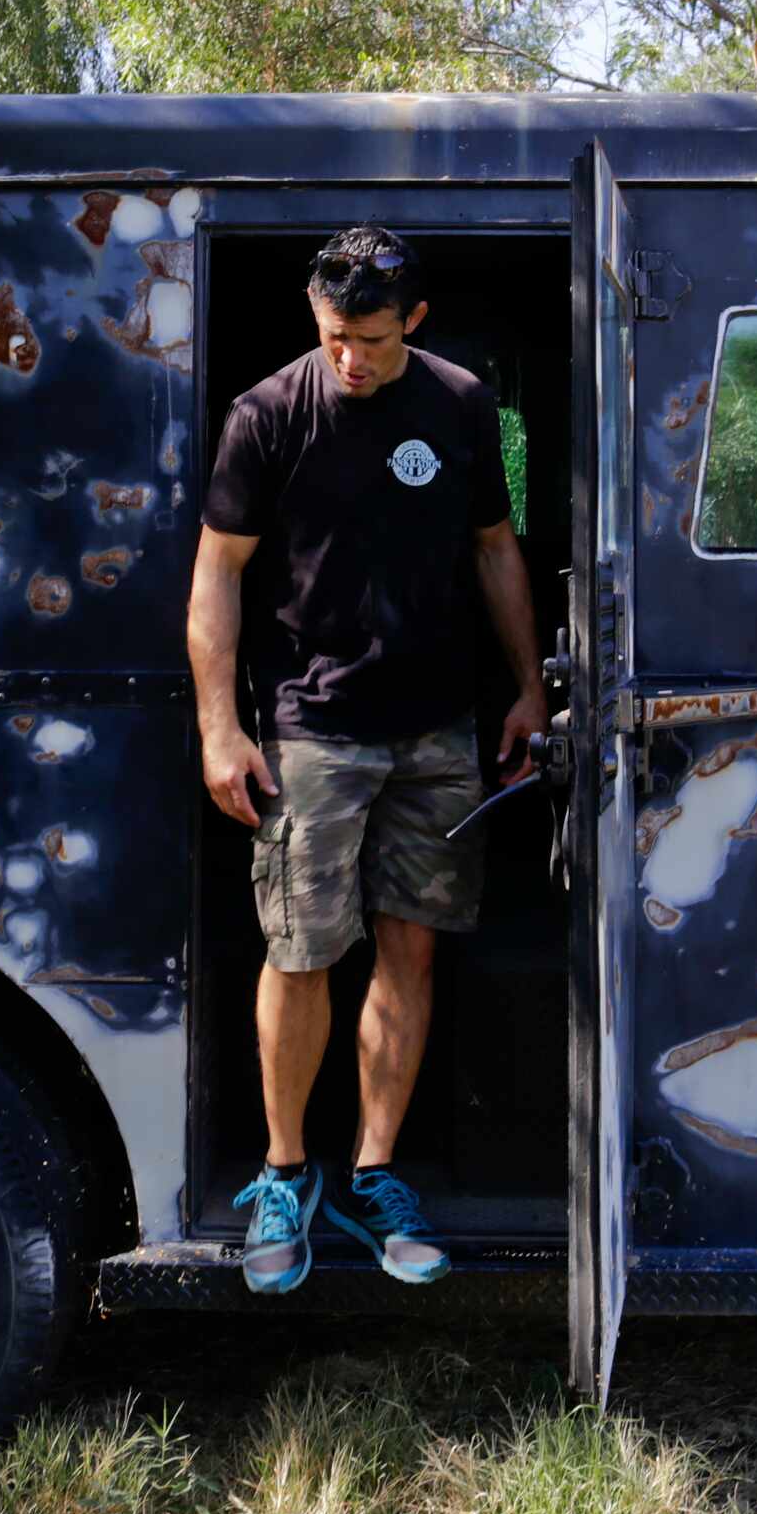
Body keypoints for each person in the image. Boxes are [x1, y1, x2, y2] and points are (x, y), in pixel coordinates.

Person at [188, 224, 547, 1294]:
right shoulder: (267, 415)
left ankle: (374, 1173)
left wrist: (528, 685)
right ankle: (285, 1173)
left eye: (375, 340)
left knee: (412, 949)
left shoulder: (461, 405)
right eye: (337, 335)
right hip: (310, 726)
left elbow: (495, 549)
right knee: (301, 950)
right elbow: (217, 577)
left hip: (436, 727)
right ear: (316, 315)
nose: (353, 358)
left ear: (415, 323)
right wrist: (219, 726)